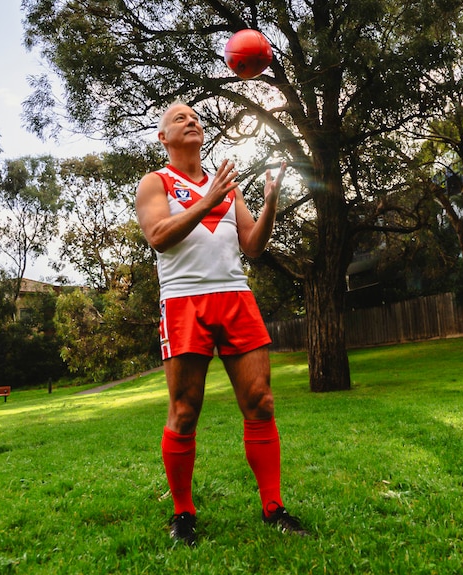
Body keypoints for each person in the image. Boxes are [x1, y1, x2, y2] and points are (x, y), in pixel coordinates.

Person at [135, 101, 307, 547]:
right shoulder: (155, 183)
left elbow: (252, 245)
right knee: (185, 411)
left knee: (261, 402)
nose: (191, 121)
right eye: (179, 119)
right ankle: (182, 514)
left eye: (194, 117)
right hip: (183, 303)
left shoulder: (226, 185)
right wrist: (207, 201)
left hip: (235, 298)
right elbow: (158, 237)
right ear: (163, 138)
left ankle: (273, 507)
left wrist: (268, 206)